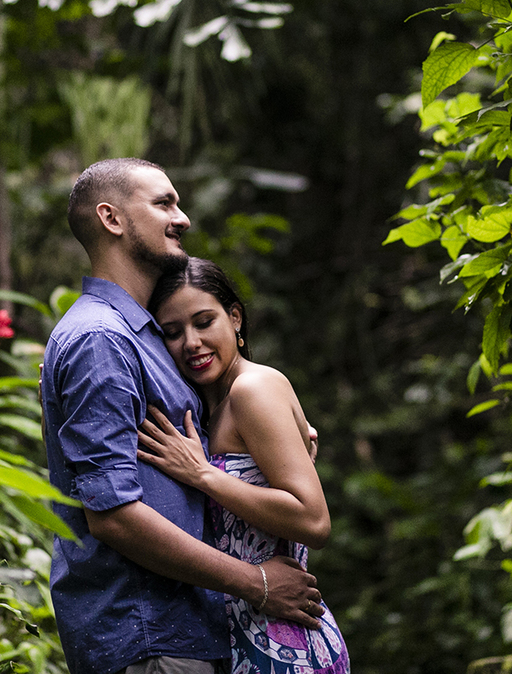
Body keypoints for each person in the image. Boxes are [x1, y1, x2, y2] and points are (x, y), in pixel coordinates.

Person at [41, 158, 325, 674]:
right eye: (164, 203)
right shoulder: (99, 339)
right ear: (112, 219)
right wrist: (255, 581)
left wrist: (270, 444)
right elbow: (113, 516)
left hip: (189, 634)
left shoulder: (139, 336)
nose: (184, 218)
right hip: (149, 637)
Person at [137, 258, 350, 674]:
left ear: (235, 317)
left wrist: (204, 476)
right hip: (240, 638)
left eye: (204, 322)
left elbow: (314, 521)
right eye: (173, 332)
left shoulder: (254, 389)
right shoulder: (203, 409)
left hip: (286, 642)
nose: (192, 343)